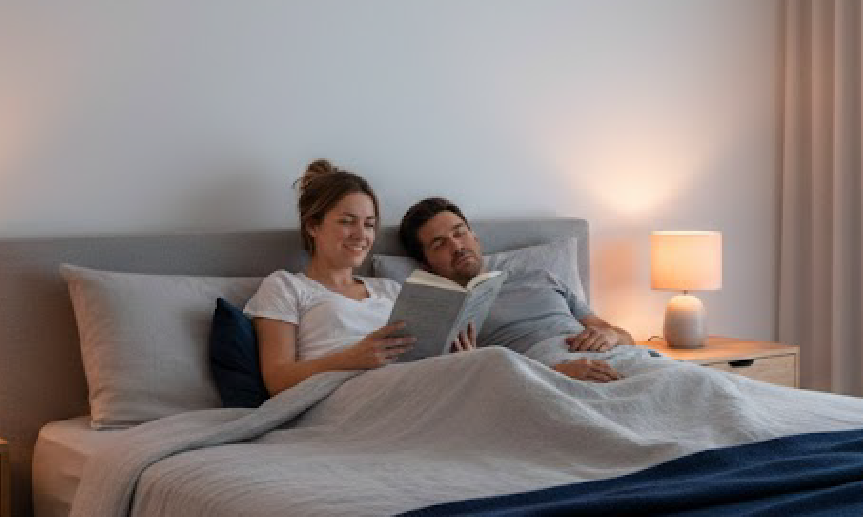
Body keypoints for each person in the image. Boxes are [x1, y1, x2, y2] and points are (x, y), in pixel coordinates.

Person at [398, 197, 634, 383]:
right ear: (426, 264)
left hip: (617, 358)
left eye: (460, 233)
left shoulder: (542, 277)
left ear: (475, 237)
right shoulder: (447, 315)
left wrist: (611, 336)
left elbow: (625, 337)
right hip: (543, 376)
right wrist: (556, 373)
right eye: (440, 244)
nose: (457, 246)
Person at [244, 160, 421, 396]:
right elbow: (277, 380)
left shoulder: (390, 289)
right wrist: (351, 358)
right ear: (312, 226)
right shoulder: (285, 286)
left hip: (409, 387)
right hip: (343, 398)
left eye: (369, 225)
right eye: (347, 222)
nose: (361, 235)